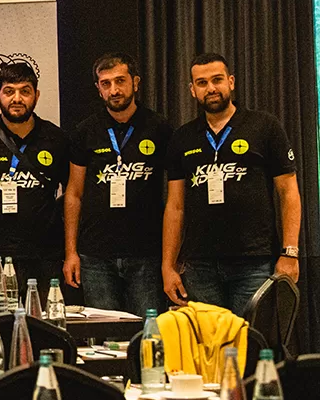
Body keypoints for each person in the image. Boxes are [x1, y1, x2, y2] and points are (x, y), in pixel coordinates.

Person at [162, 53, 302, 315]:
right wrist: (167, 266)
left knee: (250, 343)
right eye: (202, 83)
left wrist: (290, 252)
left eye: (217, 80)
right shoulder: (182, 137)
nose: (211, 88)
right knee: (208, 348)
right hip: (199, 264)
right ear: (193, 90)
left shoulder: (264, 126)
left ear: (231, 82)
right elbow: (175, 206)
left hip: (254, 261)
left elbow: (289, 191)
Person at [62, 53, 171, 316]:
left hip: (146, 253)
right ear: (98, 89)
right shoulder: (85, 131)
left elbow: (176, 196)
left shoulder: (159, 128)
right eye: (106, 83)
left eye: (120, 81)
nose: (114, 90)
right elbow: (74, 194)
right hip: (96, 255)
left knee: (147, 334)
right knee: (103, 336)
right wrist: (71, 253)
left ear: (135, 82)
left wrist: (171, 257)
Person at [0, 63, 69, 289]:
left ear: (37, 95)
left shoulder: (56, 138)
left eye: (25, 91)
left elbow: (73, 193)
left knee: (45, 323)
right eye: (9, 91)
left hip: (46, 257)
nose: (17, 98)